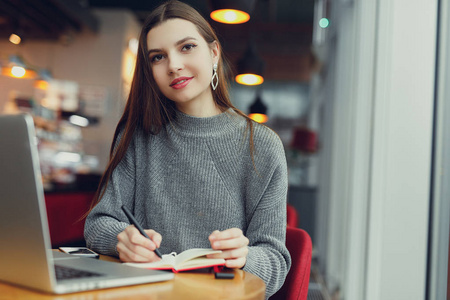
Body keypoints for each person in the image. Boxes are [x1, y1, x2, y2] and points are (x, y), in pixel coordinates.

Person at [83, 0, 291, 297]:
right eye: (158, 57)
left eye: (187, 47)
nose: (173, 65)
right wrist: (121, 238)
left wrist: (245, 257)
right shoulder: (138, 136)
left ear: (214, 52)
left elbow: (275, 262)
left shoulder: (263, 146)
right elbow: (97, 224)